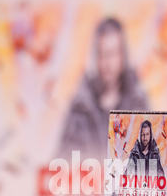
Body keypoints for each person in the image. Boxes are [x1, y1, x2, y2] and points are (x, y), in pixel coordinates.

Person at [60, 18, 149, 161]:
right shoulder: (80, 109)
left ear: (123, 55)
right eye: (102, 54)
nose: (107, 62)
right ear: (96, 57)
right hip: (87, 182)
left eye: (113, 53)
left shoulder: (139, 106)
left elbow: (153, 167)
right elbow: (61, 166)